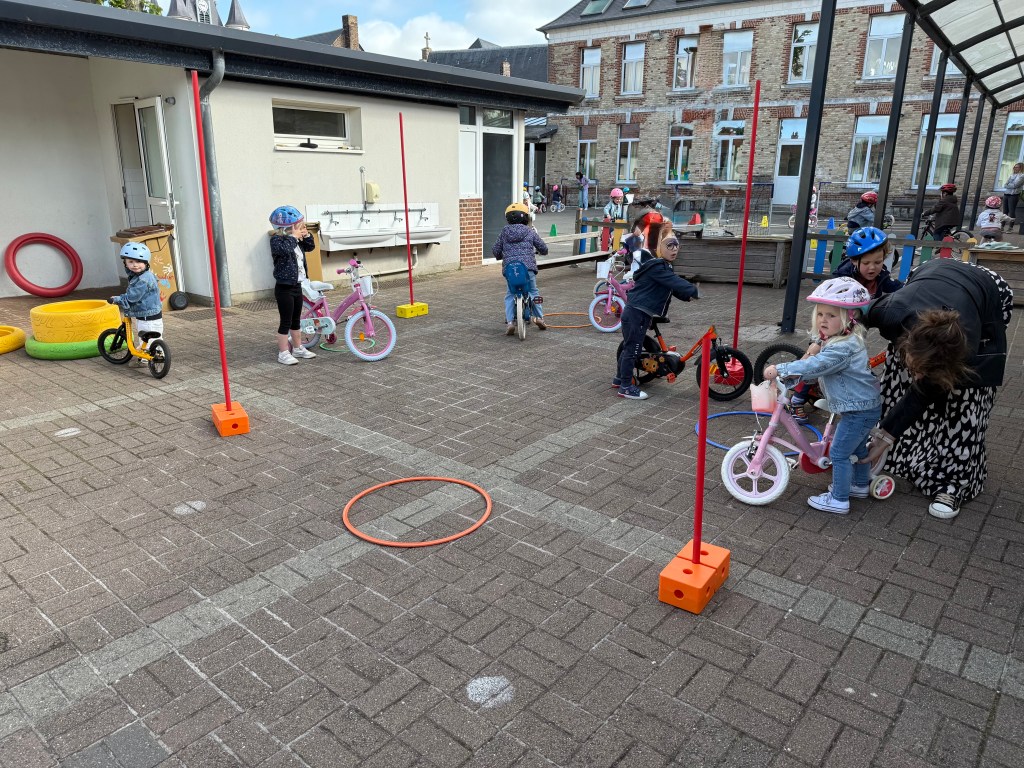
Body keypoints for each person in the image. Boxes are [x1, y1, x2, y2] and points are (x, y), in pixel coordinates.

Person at [861, 258, 1013, 519]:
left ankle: (952, 483)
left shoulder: (969, 348)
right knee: (898, 378)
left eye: (924, 371)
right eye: (917, 367)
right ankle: (898, 452)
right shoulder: (891, 311)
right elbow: (848, 316)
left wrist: (888, 434)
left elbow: (922, 393)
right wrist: (819, 346)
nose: (918, 376)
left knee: (964, 400)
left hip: (989, 291)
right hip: (931, 274)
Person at [764, 277, 881, 514]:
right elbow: (814, 356)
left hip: (858, 410)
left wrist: (781, 369)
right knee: (857, 449)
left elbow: (816, 366)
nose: (823, 320)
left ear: (849, 318)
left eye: (831, 315)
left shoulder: (843, 347)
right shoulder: (841, 338)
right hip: (863, 406)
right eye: (820, 314)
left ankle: (839, 499)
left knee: (839, 453)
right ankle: (860, 485)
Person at [614, 225, 699, 400]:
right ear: (658, 248)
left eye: (676, 245)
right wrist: (693, 290)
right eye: (669, 245)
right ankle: (626, 387)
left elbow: (670, 287)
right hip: (636, 313)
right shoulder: (657, 267)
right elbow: (674, 282)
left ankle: (620, 378)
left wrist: (686, 296)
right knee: (632, 349)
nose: (674, 249)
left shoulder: (664, 267)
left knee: (630, 347)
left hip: (640, 312)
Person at [269, 205, 318, 365]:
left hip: (297, 286)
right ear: (286, 229)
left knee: (296, 320)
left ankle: (297, 348)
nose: (300, 229)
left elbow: (310, 247)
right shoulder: (277, 241)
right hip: (284, 288)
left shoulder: (296, 241)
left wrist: (306, 235)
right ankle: (283, 353)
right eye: (297, 227)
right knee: (286, 321)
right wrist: (294, 237)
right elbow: (284, 250)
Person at [493, 202, 549, 334]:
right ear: (526, 217)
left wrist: (499, 255)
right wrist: (543, 251)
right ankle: (539, 318)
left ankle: (510, 322)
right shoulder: (530, 231)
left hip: (510, 269)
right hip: (528, 268)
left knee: (510, 294)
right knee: (533, 291)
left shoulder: (504, 232)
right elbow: (543, 247)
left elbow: (496, 250)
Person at [108, 241, 164, 358]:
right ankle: (157, 354)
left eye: (138, 261)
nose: (135, 265)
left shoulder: (143, 280)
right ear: (125, 263)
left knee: (148, 338)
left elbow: (132, 298)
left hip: (147, 317)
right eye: (131, 262)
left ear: (146, 262)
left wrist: (117, 299)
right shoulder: (142, 275)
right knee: (152, 339)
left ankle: (146, 359)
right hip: (150, 314)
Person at [1002, 162, 1024, 227]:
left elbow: (1015, 185)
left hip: (1014, 195)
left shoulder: (1022, 176)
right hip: (1006, 194)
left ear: (1021, 168)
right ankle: (1002, 226)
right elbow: (1005, 185)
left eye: (1017, 167)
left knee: (1011, 211)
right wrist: (1009, 185)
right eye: (1014, 167)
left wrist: (1009, 185)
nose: (1015, 168)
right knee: (1005, 211)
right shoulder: (1012, 175)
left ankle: (1010, 227)